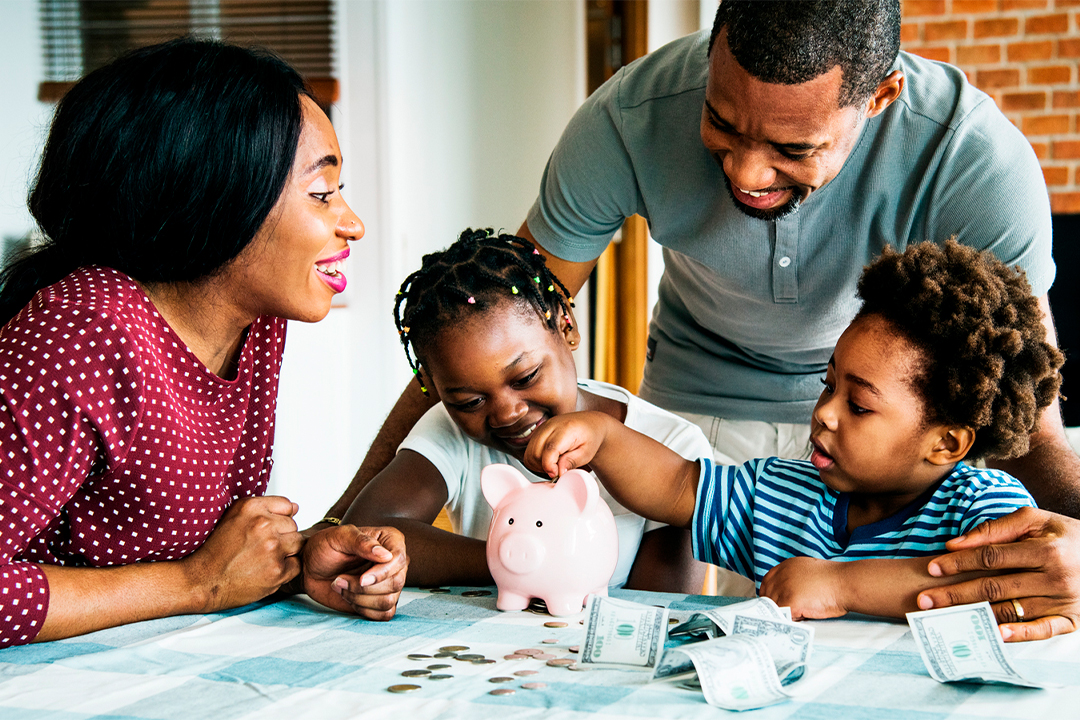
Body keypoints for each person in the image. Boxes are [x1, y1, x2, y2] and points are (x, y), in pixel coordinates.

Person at [315, 0, 1080, 636]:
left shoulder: (973, 159)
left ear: (879, 98)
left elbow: (1029, 423)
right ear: (711, 54)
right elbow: (494, 321)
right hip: (696, 416)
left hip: (896, 430)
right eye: (722, 122)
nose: (746, 173)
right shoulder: (628, 116)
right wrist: (339, 525)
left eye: (791, 147)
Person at [0, 39, 406, 648]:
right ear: (215, 194)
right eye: (321, 193)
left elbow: (216, 552)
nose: (352, 223)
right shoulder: (84, 332)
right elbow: (198, 575)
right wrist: (197, 586)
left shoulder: (254, 322)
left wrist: (297, 563)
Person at [524, 240, 1064, 630]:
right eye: (828, 386)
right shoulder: (782, 492)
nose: (825, 413)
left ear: (946, 444)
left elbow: (992, 586)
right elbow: (678, 487)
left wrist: (839, 584)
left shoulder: (984, 509)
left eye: (858, 405)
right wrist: (604, 438)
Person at [302, 228, 713, 606]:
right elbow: (367, 530)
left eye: (526, 376)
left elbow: (662, 607)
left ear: (565, 325)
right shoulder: (449, 429)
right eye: (470, 401)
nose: (507, 413)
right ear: (434, 388)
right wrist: (512, 559)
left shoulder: (674, 447)